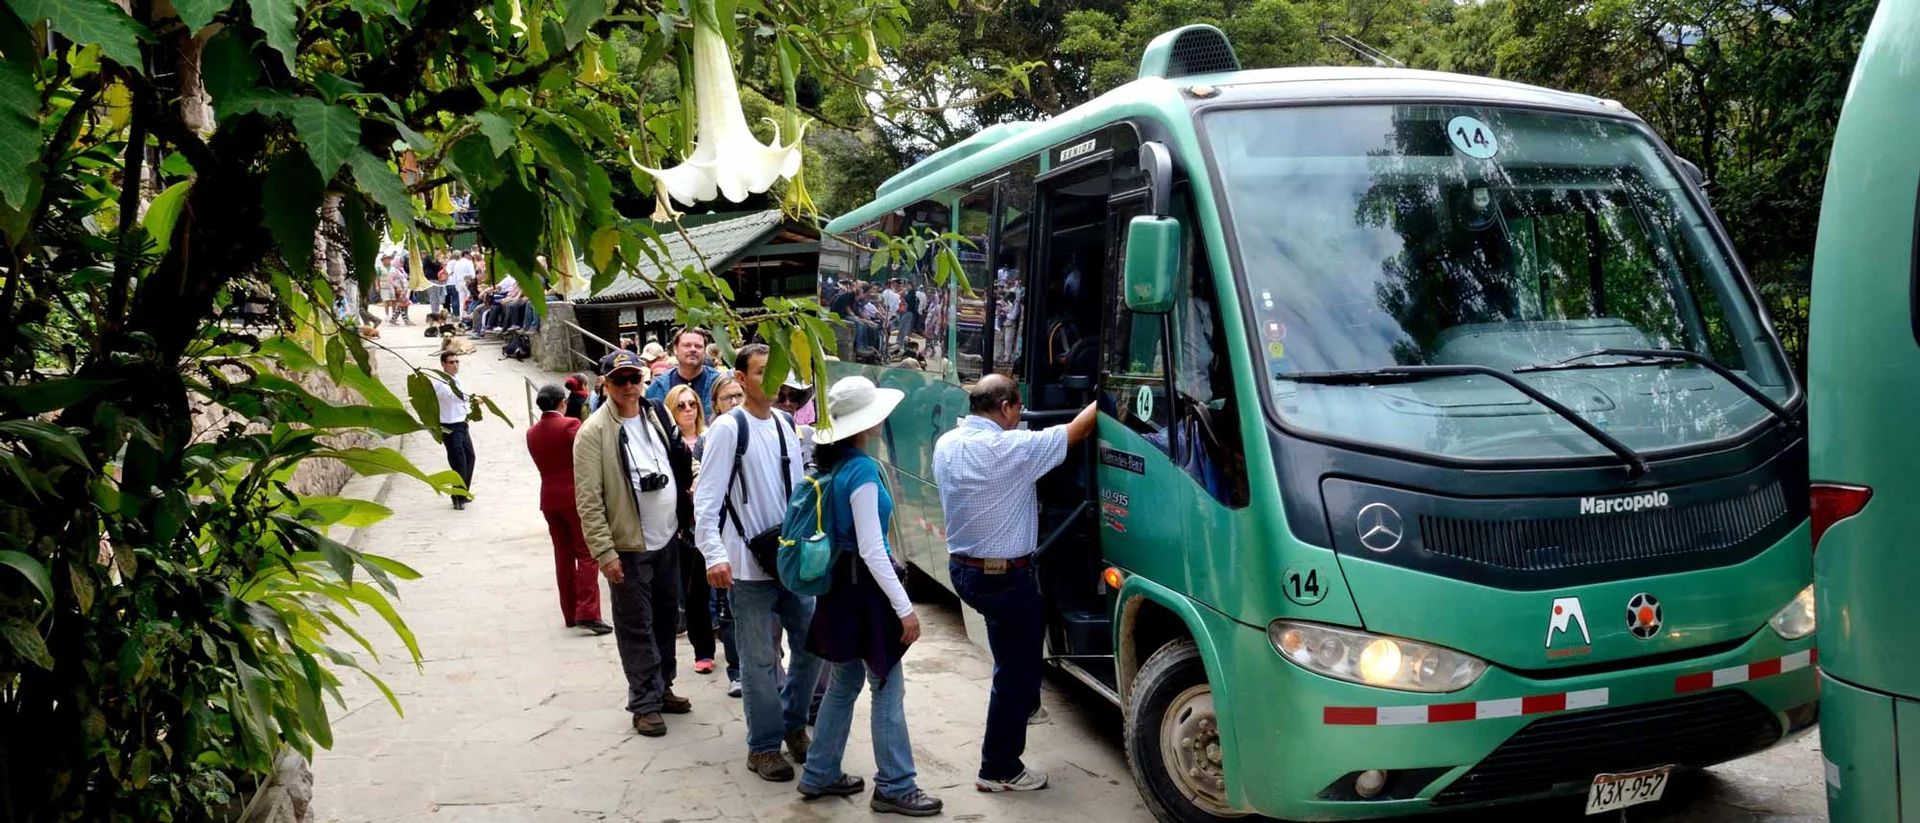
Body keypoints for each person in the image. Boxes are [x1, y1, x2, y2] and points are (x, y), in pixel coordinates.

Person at [932, 375, 1097, 792]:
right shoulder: (1012, 450)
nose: (1021, 415)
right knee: (1016, 673)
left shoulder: (946, 444)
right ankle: (999, 768)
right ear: (1005, 407)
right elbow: (1079, 429)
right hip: (1002, 578)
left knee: (1009, 650)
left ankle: (1022, 708)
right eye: (1019, 407)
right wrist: (1111, 393)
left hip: (965, 571)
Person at [794, 376, 942, 816]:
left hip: (840, 590)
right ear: (866, 422)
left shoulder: (834, 464)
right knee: (887, 686)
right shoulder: (860, 469)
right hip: (865, 593)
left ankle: (819, 772)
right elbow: (874, 550)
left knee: (843, 683)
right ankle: (896, 784)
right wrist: (905, 608)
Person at [693, 344, 818, 781]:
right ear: (741, 379)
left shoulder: (785, 424)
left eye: (776, 370)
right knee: (759, 658)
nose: (772, 379)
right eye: (762, 371)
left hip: (790, 559)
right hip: (746, 565)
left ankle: (793, 724)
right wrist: (714, 554)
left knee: (812, 644)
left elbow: (798, 491)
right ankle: (763, 746)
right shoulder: (729, 429)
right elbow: (707, 498)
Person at [574, 351, 697, 737]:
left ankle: (662, 687)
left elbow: (681, 458)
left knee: (666, 617)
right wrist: (604, 551)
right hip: (629, 545)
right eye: (620, 380)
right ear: (605, 384)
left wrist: (695, 482)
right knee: (635, 626)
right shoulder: (593, 433)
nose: (629, 387)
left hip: (668, 536)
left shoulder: (657, 414)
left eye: (634, 379)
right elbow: (588, 499)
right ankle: (644, 702)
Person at [527, 384, 612, 635]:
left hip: (549, 497)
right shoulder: (569, 425)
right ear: (562, 403)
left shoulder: (531, 433)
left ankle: (570, 612)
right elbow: (588, 452)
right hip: (574, 496)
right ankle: (588, 611)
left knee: (563, 556)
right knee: (586, 553)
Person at [665, 384, 719, 676]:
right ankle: (704, 650)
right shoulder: (667, 444)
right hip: (686, 529)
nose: (688, 410)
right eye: (681, 405)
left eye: (692, 404)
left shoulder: (712, 437)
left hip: (719, 524)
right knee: (696, 592)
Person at [432, 351, 478, 510]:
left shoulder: (455, 378)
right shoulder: (440, 382)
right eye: (451, 362)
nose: (455, 365)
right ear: (443, 364)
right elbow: (454, 397)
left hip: (461, 424)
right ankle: (457, 498)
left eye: (457, 362)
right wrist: (472, 398)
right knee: (458, 461)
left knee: (470, 457)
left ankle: (463, 493)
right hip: (449, 427)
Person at [647, 327, 724, 415]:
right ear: (675, 349)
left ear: (704, 351)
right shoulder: (657, 387)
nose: (693, 349)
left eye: (698, 346)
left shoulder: (719, 384)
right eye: (687, 345)